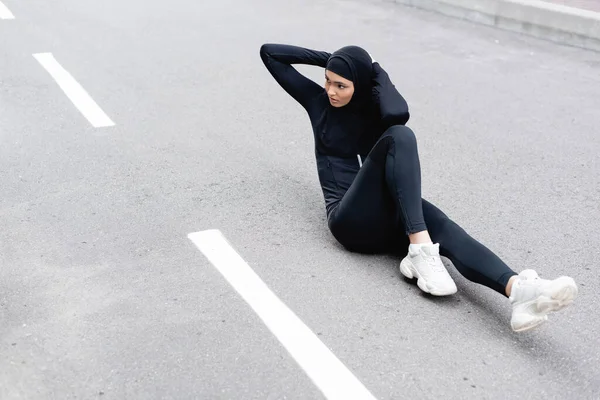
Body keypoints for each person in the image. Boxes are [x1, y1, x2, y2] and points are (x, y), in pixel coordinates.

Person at [259, 43, 578, 332]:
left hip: (384, 216)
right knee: (401, 139)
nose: (330, 90)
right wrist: (332, 60)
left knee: (448, 230)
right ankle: (420, 248)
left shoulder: (373, 111)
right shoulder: (317, 103)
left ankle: (517, 292)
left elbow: (399, 113)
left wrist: (375, 68)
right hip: (347, 220)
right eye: (328, 81)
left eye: (341, 85)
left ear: (359, 85)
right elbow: (270, 53)